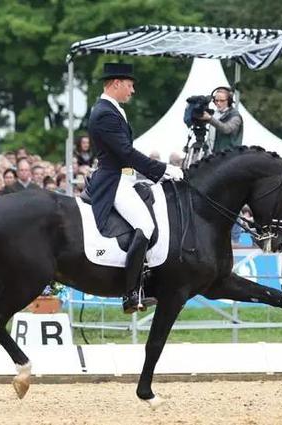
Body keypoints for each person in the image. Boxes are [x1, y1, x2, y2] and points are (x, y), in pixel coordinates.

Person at [87, 62, 183, 314]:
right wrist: (162, 169)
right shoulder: (105, 113)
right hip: (113, 180)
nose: (132, 91)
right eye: (129, 85)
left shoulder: (113, 109)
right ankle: (132, 292)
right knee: (146, 225)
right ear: (116, 83)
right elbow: (125, 152)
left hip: (125, 177)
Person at [201, 86, 243, 153]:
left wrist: (210, 119)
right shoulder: (215, 114)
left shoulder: (235, 116)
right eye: (216, 100)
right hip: (213, 154)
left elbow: (226, 129)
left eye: (222, 101)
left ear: (229, 101)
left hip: (228, 156)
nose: (218, 103)